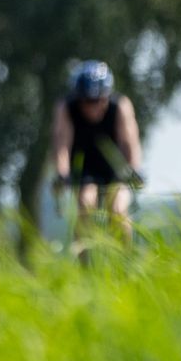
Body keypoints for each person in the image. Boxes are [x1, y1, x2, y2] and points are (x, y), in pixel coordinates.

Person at [51, 60, 144, 237]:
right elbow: (62, 144)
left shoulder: (120, 106)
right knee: (86, 204)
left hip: (115, 168)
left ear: (106, 95)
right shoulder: (66, 108)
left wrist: (134, 169)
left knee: (118, 210)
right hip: (85, 168)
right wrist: (62, 173)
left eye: (97, 100)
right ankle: (83, 254)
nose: (92, 106)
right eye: (86, 100)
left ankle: (124, 254)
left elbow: (130, 142)